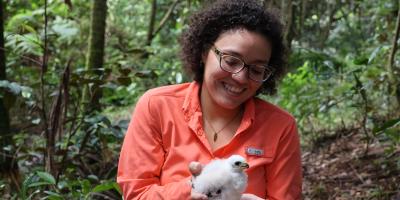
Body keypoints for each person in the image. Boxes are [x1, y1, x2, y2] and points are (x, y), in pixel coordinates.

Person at [117, 0, 302, 199]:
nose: (240, 77)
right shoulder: (157, 106)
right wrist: (191, 189)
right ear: (205, 52)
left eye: (256, 69)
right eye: (231, 61)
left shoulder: (280, 127)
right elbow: (136, 193)